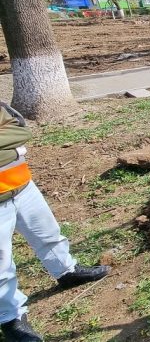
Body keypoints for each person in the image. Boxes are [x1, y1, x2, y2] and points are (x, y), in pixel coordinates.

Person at [0, 102, 110, 342]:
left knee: (48, 234)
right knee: (1, 264)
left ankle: (66, 271)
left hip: (22, 184)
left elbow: (20, 130)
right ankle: (11, 318)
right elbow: (11, 136)